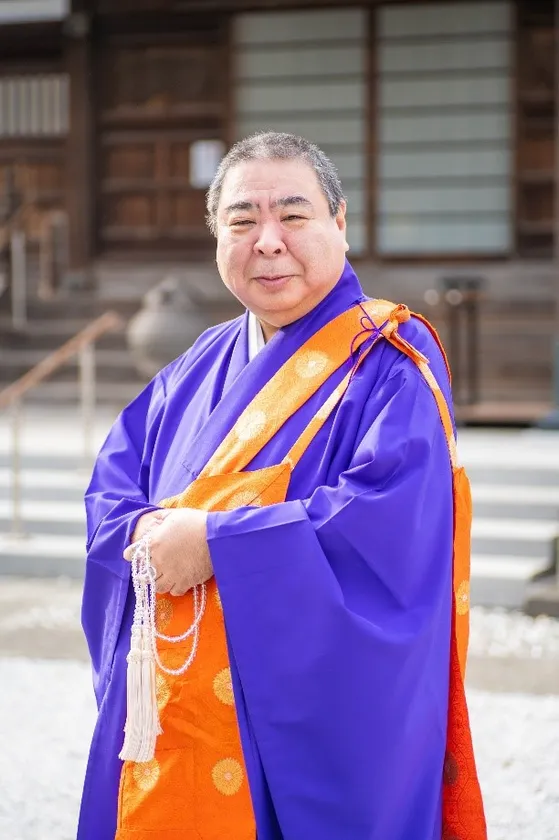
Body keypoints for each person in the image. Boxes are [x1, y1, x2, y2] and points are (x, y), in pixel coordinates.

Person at [78, 131, 486, 840]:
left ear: (339, 222)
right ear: (217, 236)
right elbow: (116, 478)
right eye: (242, 221)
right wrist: (140, 532)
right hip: (180, 701)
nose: (267, 241)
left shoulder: (390, 358)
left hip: (301, 716)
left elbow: (386, 521)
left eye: (293, 215)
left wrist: (216, 543)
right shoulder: (201, 359)